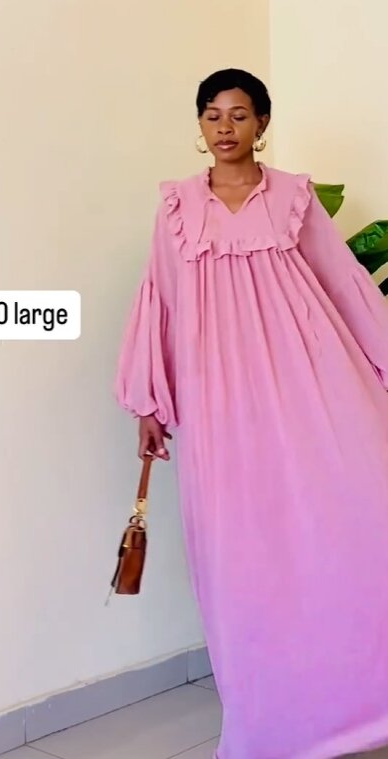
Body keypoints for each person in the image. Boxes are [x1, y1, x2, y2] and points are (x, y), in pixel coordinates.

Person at [114, 69, 388, 759]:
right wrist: (150, 400)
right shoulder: (176, 208)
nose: (225, 127)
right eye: (212, 115)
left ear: (262, 123)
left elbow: (343, 283)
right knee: (243, 557)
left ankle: (362, 705)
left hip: (310, 383)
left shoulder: (294, 196)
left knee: (352, 525)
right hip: (219, 400)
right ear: (200, 126)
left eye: (239, 114)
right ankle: (270, 724)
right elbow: (160, 298)